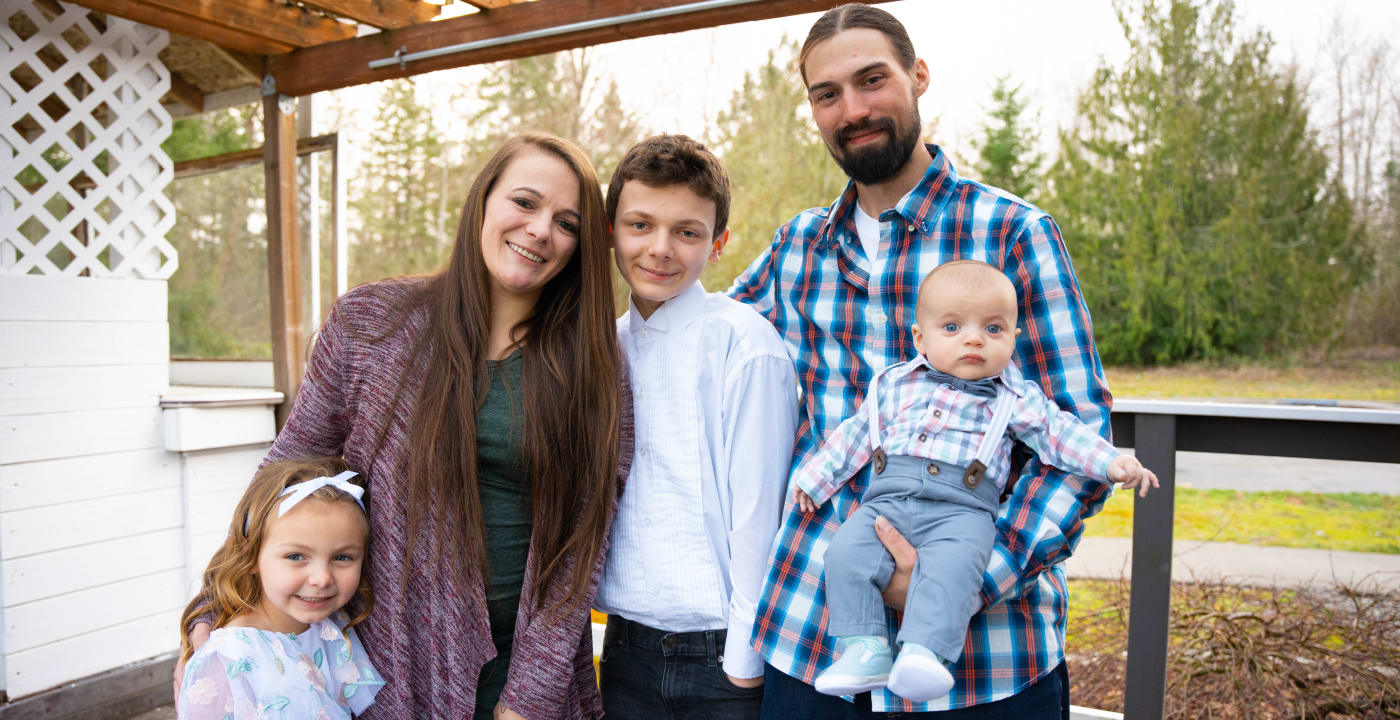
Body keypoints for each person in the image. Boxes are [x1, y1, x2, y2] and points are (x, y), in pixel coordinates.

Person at [728, 4, 1121, 716]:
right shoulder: (798, 249)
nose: (853, 108)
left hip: (982, 664)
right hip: (812, 645)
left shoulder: (1013, 233)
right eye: (828, 94)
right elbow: (699, 340)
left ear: (918, 76)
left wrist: (963, 580)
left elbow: (1078, 434)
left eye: (872, 80)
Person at [178, 133, 631, 719]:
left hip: (523, 672)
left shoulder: (591, 365)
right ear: (484, 201)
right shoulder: (371, 323)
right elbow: (283, 475)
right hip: (378, 660)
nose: (541, 229)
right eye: (524, 202)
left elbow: (580, 547)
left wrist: (529, 699)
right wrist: (213, 604)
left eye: (566, 222)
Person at [791, 261, 1156, 702]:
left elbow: (1062, 434)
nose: (974, 339)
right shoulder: (894, 386)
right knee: (846, 555)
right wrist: (815, 479)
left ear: (1013, 339)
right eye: (952, 327)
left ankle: (924, 653)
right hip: (886, 502)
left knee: (954, 570)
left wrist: (1112, 463)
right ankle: (863, 647)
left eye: (994, 329)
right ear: (920, 339)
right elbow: (854, 435)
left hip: (962, 511)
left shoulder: (1015, 399)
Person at [594, 134, 798, 719]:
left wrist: (742, 667)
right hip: (625, 650)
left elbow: (760, 516)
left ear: (718, 244)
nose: (660, 249)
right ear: (611, 230)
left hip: (719, 660)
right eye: (640, 225)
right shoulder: (606, 346)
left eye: (687, 232)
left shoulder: (743, 343)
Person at [176, 456, 385, 719]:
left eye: (342, 557)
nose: (321, 579)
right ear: (250, 557)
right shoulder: (229, 657)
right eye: (296, 556)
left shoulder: (331, 629)